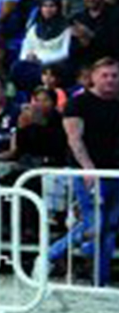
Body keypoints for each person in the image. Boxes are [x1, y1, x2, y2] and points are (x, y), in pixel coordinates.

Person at [56, 58, 119, 285]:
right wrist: (88, 168)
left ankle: (99, 280)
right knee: (94, 225)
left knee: (110, 226)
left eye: (114, 75)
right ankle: (51, 256)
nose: (111, 80)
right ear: (93, 77)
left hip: (115, 173)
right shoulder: (78, 104)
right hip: (87, 173)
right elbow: (75, 138)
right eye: (105, 75)